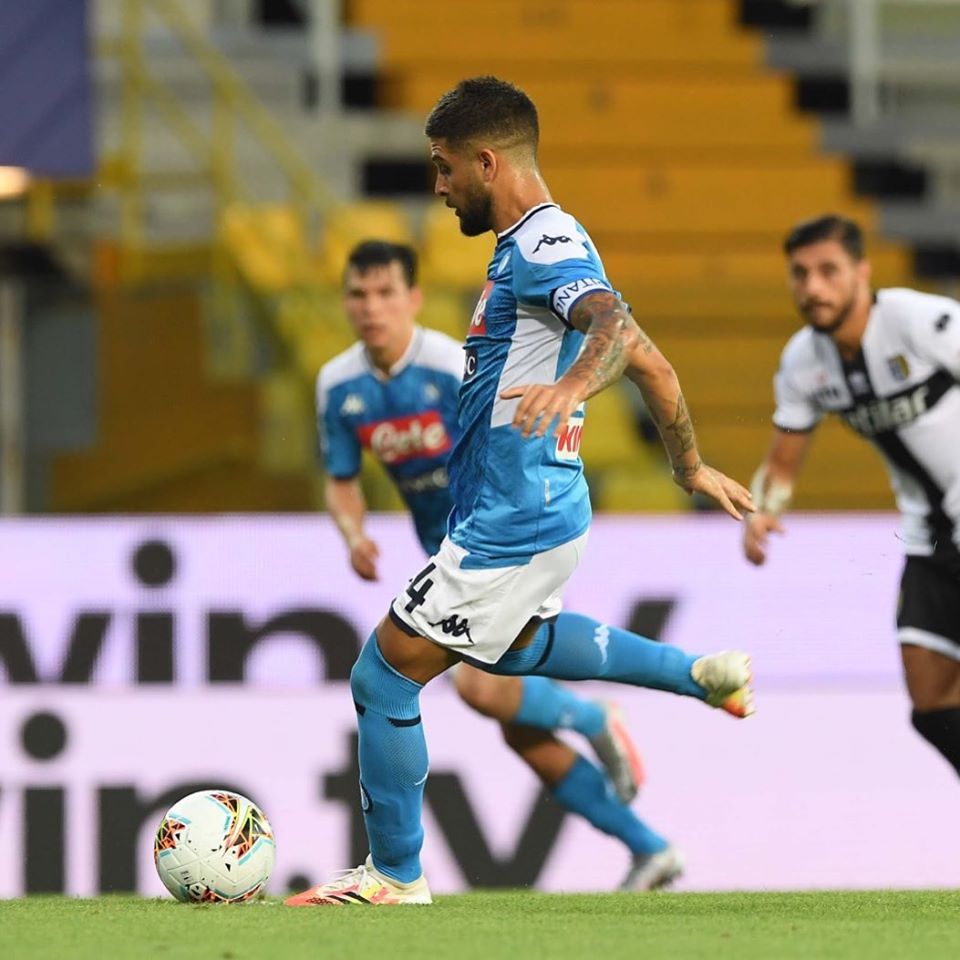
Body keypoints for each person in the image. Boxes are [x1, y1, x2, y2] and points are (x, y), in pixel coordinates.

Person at [286, 76, 755, 908]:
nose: (439, 187)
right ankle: (699, 676)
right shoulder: (530, 248)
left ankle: (395, 874)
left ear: (486, 162)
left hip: (516, 515)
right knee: (510, 653)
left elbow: (614, 328)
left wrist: (572, 386)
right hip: (527, 510)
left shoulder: (544, 243)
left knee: (383, 675)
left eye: (444, 167)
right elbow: (650, 362)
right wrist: (686, 466)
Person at [318, 238, 682, 890]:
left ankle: (594, 718)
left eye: (384, 293)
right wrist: (353, 533)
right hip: (447, 551)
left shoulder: (447, 366)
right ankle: (648, 846)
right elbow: (341, 478)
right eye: (357, 294)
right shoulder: (338, 384)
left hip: (498, 540)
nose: (371, 308)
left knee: (479, 687)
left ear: (413, 299)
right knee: (517, 725)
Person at [743, 213, 960, 779]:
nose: (812, 287)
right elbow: (783, 460)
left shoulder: (919, 321)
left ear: (862, 271)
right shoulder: (802, 362)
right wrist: (764, 512)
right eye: (800, 274)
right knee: (931, 699)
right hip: (930, 535)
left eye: (828, 271)